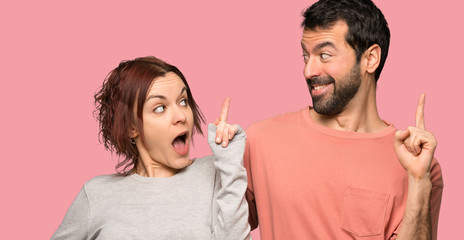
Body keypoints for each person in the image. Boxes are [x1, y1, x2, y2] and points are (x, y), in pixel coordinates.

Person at [244, 0, 443, 239]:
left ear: (370, 59)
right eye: (306, 56)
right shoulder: (261, 141)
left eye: (324, 55)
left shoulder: (418, 164)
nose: (309, 71)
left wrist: (419, 181)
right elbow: (214, 225)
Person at [51, 56, 251, 239]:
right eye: (160, 108)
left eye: (183, 101)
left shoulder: (216, 172)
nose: (181, 116)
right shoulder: (96, 194)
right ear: (131, 127)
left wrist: (230, 162)